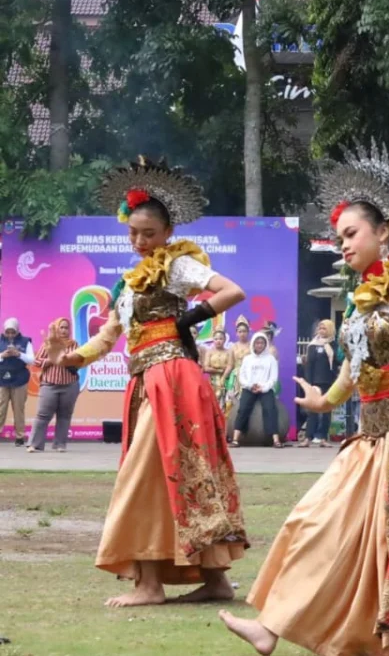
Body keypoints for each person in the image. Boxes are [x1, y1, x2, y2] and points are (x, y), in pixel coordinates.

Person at [220, 140, 389, 656]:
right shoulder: (359, 303)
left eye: (351, 234)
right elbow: (356, 367)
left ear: (383, 232)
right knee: (316, 521)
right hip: (372, 439)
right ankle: (271, 626)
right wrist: (324, 402)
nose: (342, 244)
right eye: (339, 236)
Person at [58, 156, 248, 608]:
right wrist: (74, 357)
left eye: (148, 233)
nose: (140, 241)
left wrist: (189, 319)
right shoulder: (130, 285)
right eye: (133, 233)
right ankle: (214, 578)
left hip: (174, 378)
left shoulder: (177, 267)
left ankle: (149, 585)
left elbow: (231, 291)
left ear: (166, 233)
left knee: (146, 476)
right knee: (173, 477)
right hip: (148, 381)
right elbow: (109, 336)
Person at [28, 317, 80, 452]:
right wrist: (52, 359)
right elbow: (37, 361)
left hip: (69, 385)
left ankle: (60, 444)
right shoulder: (49, 343)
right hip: (50, 384)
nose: (64, 330)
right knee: (43, 415)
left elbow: (79, 361)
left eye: (66, 328)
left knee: (64, 416)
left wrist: (68, 360)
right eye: (61, 327)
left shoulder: (74, 344)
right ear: (57, 328)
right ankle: (34, 444)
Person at [230, 332, 280, 448]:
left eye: (262, 343)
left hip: (265, 389)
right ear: (253, 344)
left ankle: (276, 440)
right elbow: (242, 376)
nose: (259, 345)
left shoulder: (271, 359)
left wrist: (264, 387)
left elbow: (273, 378)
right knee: (243, 409)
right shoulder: (247, 359)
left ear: (265, 344)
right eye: (257, 343)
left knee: (270, 409)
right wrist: (250, 385)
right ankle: (235, 439)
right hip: (249, 388)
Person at [301, 319, 337, 448]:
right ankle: (308, 438)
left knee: (327, 410)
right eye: (320, 328)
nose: (321, 331)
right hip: (315, 382)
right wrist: (309, 383)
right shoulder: (313, 345)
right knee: (313, 409)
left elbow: (336, 362)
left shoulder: (333, 344)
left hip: (328, 381)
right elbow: (309, 365)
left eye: (324, 328)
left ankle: (322, 437)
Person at [0, 318, 34, 447]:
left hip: (20, 380)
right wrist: (3, 355)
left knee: (18, 409)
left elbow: (31, 360)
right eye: (7, 332)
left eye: (12, 332)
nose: (10, 335)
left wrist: (18, 354)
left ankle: (19, 436)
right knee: (0, 408)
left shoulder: (25, 341)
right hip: (2, 379)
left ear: (17, 330)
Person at [227, 316, 253, 418]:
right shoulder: (233, 347)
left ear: (248, 332)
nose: (242, 333)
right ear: (236, 333)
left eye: (244, 331)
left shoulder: (252, 346)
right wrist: (223, 378)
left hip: (248, 376)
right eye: (240, 331)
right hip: (236, 377)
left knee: (247, 401)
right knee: (231, 400)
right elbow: (230, 365)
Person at [203, 329, 234, 412]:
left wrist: (223, 377)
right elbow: (205, 368)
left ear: (225, 339)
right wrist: (220, 371)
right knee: (211, 401)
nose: (218, 341)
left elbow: (230, 366)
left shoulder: (229, 352)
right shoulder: (209, 352)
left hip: (226, 379)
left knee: (224, 401)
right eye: (216, 339)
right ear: (213, 340)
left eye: (221, 338)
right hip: (212, 380)